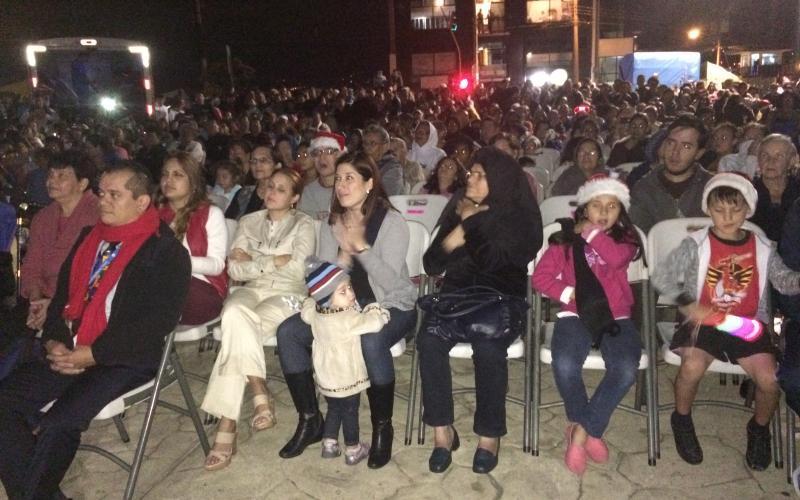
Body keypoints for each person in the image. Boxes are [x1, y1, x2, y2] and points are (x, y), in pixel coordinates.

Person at [0, 162, 191, 499]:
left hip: (124, 358)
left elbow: (154, 325)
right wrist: (55, 341)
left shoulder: (166, 252)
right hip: (70, 347)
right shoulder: (91, 237)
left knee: (58, 423)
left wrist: (93, 355)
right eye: (102, 193)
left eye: (115, 195)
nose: (103, 201)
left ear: (143, 202)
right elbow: (61, 298)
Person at [276, 152, 417, 468]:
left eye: (349, 177)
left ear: (369, 184)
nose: (340, 185)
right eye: (338, 178)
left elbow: (391, 285)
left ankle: (383, 427)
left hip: (391, 305)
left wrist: (360, 247)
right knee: (288, 333)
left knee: (371, 340)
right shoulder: (332, 223)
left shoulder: (392, 223)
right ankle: (310, 419)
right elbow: (323, 283)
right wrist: (340, 252)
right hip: (342, 309)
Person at [652, 173, 800, 470]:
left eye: (736, 209)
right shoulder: (696, 243)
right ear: (708, 209)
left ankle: (758, 428)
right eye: (719, 210)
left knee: (770, 380)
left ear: (748, 210)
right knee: (691, 367)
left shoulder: (763, 247)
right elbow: (662, 277)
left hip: (747, 325)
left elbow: (783, 282)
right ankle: (681, 417)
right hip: (704, 322)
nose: (728, 216)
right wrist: (688, 304)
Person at [418, 147, 542, 474]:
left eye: (479, 174)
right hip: (456, 297)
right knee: (428, 340)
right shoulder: (459, 204)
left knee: (488, 348)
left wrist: (470, 227)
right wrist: (458, 230)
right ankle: (442, 432)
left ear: (499, 181)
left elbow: (494, 262)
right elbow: (431, 262)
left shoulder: (519, 216)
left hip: (500, 300)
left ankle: (489, 436)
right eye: (470, 172)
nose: (469, 178)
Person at [201, 168, 314, 471]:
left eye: (281, 188)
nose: (272, 192)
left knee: (236, 332)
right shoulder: (249, 222)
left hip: (289, 294)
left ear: (295, 198)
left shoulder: (305, 225)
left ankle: (227, 425)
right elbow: (234, 271)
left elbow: (298, 271)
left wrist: (254, 261)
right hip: (251, 291)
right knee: (234, 314)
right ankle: (258, 391)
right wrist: (274, 261)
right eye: (269, 186)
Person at [532, 177, 644, 475]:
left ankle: (582, 432)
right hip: (574, 314)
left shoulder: (626, 240)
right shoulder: (565, 239)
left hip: (616, 315)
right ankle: (584, 424)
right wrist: (571, 295)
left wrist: (592, 233)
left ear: (621, 210)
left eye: (612, 206)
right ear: (584, 207)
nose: (604, 212)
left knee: (625, 368)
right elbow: (540, 278)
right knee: (565, 363)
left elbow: (617, 259)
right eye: (597, 205)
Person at [301, 258, 390, 465]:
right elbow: (374, 324)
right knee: (350, 412)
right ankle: (353, 449)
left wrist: (310, 300)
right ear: (327, 298)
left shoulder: (316, 313)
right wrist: (376, 310)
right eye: (342, 292)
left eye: (349, 288)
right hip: (347, 377)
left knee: (334, 408)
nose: (351, 294)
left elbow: (306, 309)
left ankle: (329, 444)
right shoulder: (348, 319)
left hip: (327, 378)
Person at [21, 150, 98, 331]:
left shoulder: (97, 215)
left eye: (61, 176)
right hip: (44, 301)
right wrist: (36, 302)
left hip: (81, 305)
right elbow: (32, 266)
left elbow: (92, 275)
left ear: (82, 183)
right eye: (50, 175)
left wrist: (55, 305)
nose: (51, 181)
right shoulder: (44, 217)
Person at [158, 152, 228, 326]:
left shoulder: (211, 214)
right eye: (165, 174)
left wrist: (177, 262)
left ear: (193, 182)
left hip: (201, 288)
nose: (169, 180)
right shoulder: (155, 217)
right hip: (162, 284)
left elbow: (217, 265)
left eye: (178, 175)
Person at [629, 115, 713, 233]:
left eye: (686, 146)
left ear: (699, 153)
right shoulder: (644, 189)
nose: (675, 152)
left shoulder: (713, 187)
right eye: (671, 143)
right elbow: (639, 238)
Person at [749, 133, 800, 242]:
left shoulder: (797, 192)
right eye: (764, 155)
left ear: (791, 161)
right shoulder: (746, 193)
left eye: (779, 156)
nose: (771, 161)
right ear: (758, 160)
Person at [297, 132, 345, 221]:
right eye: (317, 153)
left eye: (329, 152)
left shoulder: (348, 190)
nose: (322, 157)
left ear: (339, 156)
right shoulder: (308, 192)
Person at [224, 144, 277, 220]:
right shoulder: (243, 193)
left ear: (276, 165)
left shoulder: (281, 196)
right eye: (254, 161)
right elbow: (229, 220)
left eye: (263, 160)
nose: (257, 165)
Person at [362, 125, 405, 196]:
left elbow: (389, 198)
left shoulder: (392, 168)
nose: (367, 147)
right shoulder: (362, 162)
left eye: (373, 143)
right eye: (365, 143)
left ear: (385, 146)